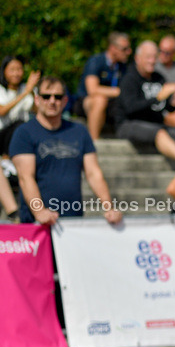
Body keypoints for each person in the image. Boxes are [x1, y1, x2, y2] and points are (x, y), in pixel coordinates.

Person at [11, 76, 122, 226]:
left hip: (73, 223)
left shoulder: (79, 131)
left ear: (65, 101)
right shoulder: (24, 133)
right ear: (37, 100)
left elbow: (93, 173)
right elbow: (26, 178)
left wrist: (109, 207)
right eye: (46, 96)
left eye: (57, 97)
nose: (52, 101)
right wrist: (39, 211)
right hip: (37, 224)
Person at [113, 40, 175, 165]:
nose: (152, 61)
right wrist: (158, 97)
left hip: (156, 124)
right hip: (129, 125)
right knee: (159, 133)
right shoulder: (129, 79)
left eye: (154, 57)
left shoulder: (159, 78)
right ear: (138, 58)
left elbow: (165, 108)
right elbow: (131, 108)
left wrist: (172, 102)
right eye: (148, 57)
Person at [0, 56, 39, 220]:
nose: (17, 73)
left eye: (19, 69)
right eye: (12, 69)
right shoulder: (2, 90)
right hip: (3, 135)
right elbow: (2, 111)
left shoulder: (28, 89)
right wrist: (25, 93)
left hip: (21, 137)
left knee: (24, 128)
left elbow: (38, 110)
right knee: (18, 126)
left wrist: (31, 90)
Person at [75, 32, 132, 140]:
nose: (129, 52)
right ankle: (94, 142)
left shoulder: (123, 67)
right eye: (124, 49)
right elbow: (92, 89)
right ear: (113, 48)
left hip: (111, 104)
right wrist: (118, 91)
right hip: (86, 102)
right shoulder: (96, 61)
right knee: (100, 100)